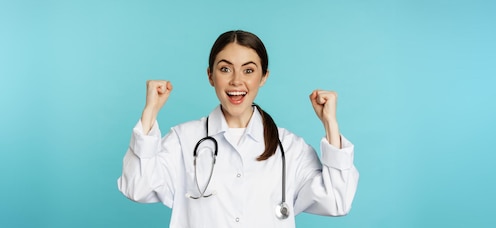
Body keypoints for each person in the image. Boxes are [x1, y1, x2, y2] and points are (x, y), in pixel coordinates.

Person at [118, 30, 359, 227]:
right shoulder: (183, 140)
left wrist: (331, 125)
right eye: (225, 69)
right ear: (210, 76)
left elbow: (337, 201)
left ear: (263, 77)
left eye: (248, 70)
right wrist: (149, 113)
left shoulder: (289, 147)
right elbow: (137, 188)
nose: (236, 81)